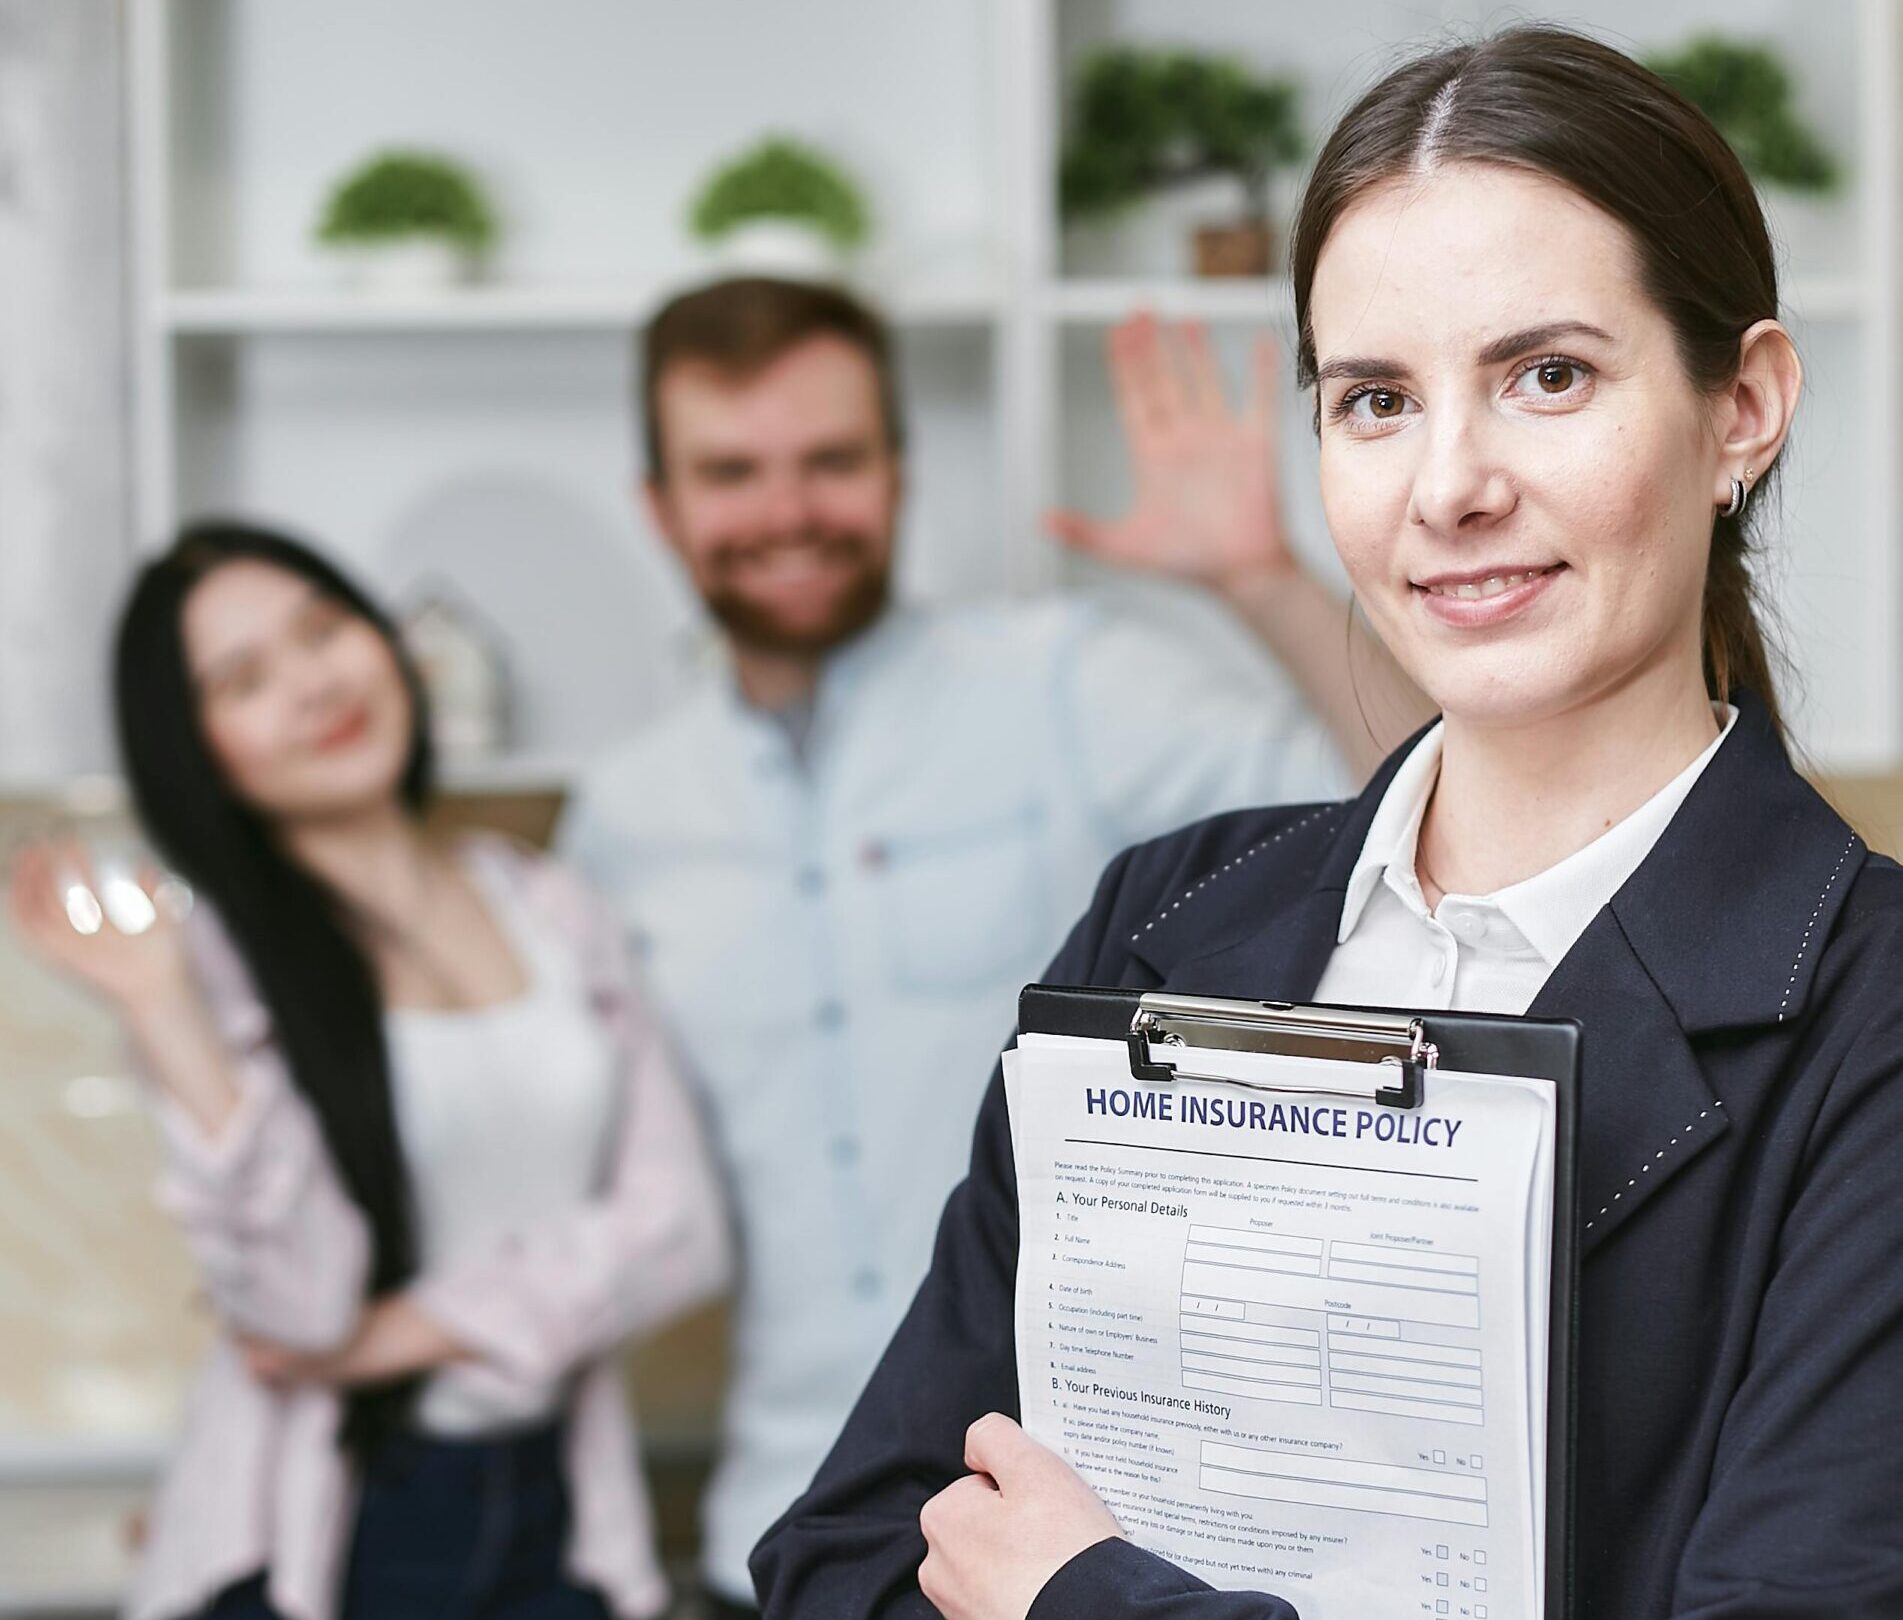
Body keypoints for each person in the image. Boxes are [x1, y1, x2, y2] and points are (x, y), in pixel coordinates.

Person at [751, 26, 1903, 1620]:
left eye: (1544, 376)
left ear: (1742, 409)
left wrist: (1086, 1602)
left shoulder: (1872, 1020)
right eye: (1372, 399)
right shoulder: (1164, 915)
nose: (1447, 486)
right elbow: (845, 1559)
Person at [559, 279, 1431, 1615]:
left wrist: (1259, 578)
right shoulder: (619, 820)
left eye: (831, 461)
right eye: (731, 471)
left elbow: (1430, 803)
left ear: (898, 471)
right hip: (789, 1535)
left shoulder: (1070, 684)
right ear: (659, 505)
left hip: (1079, 1540)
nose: (787, 511)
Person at [7, 522, 730, 1620]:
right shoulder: (212, 979)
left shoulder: (552, 907)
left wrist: (404, 1332)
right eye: (243, 678)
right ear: (196, 746)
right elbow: (300, 1311)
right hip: (338, 1526)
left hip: (560, 1506)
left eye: (323, 628)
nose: (311, 685)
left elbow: (680, 1231)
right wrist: (161, 1010)